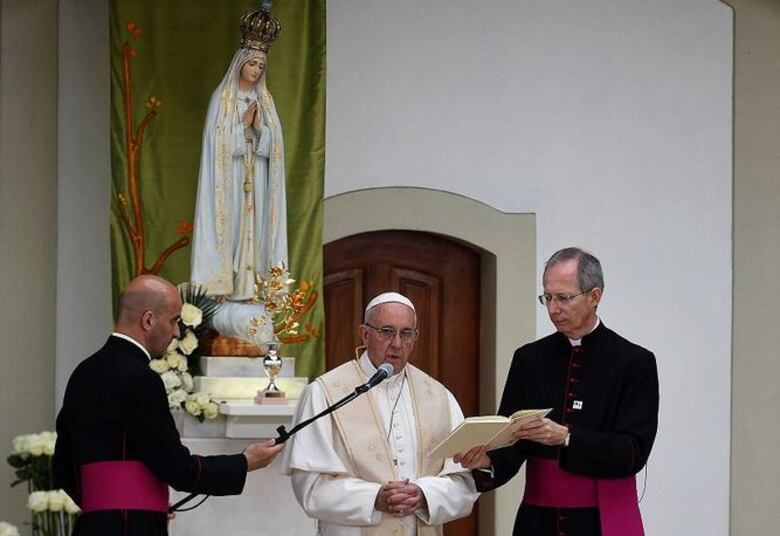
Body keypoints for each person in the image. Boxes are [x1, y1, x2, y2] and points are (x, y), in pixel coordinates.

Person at [53, 275, 285, 535]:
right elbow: (178, 468)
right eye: (174, 320)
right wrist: (244, 462)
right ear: (148, 320)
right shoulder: (140, 378)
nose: (177, 332)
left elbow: (62, 467)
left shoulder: (83, 373)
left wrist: (131, 501)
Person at [455, 247, 659, 536]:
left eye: (563, 298)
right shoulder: (530, 359)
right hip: (538, 522)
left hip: (600, 522)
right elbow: (513, 439)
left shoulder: (634, 362)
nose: (553, 309)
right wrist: (487, 461)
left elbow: (633, 451)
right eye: (547, 298)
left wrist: (566, 437)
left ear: (594, 296)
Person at [282, 292, 479, 535]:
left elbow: (465, 481)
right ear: (365, 334)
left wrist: (423, 495)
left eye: (406, 333)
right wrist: (374, 498)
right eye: (387, 331)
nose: (397, 343)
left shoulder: (439, 397)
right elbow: (310, 486)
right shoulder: (325, 394)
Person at [190, 12, 287, 300]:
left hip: (256, 177)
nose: (256, 70)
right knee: (231, 229)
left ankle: (253, 291)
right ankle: (224, 289)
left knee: (255, 232)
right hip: (230, 178)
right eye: (252, 63)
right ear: (241, 63)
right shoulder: (222, 99)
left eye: (261, 65)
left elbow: (276, 149)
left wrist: (261, 131)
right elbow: (214, 143)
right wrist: (241, 126)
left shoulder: (266, 102)